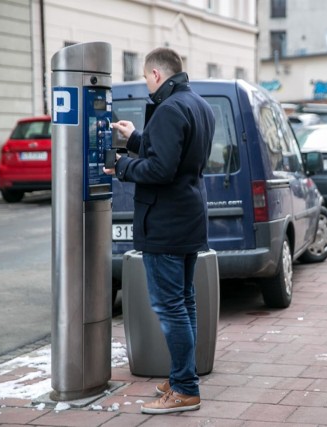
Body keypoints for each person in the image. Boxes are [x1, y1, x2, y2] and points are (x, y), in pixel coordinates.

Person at [103, 47, 215, 415]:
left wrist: (122, 165)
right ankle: (183, 375)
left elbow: (161, 170)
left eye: (146, 79)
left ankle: (184, 388)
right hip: (187, 217)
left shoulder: (169, 109)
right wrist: (136, 138)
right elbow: (178, 156)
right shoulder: (197, 104)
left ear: (154, 74)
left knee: (170, 307)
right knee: (184, 302)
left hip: (165, 222)